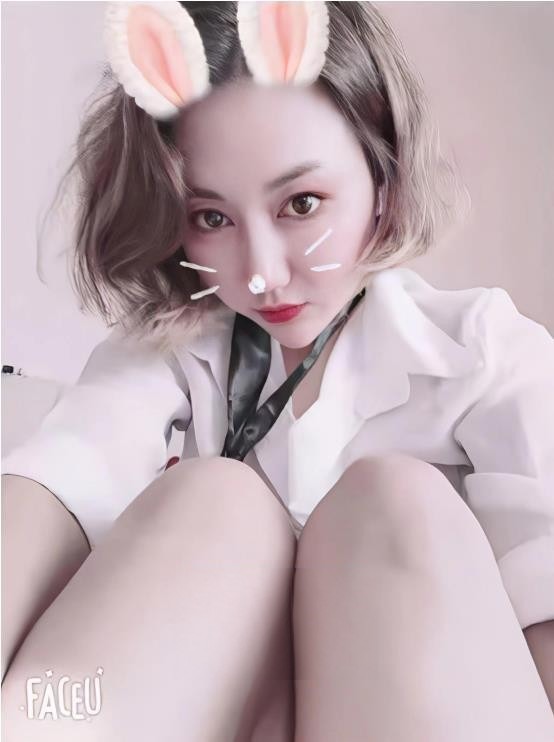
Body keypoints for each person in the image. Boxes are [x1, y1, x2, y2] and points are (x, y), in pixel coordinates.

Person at [2, 2, 554, 740]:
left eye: (301, 203)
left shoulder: (484, 353)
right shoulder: (167, 358)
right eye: (211, 218)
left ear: (384, 179)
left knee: (392, 503)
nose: (262, 272)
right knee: (214, 499)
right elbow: (62, 477)